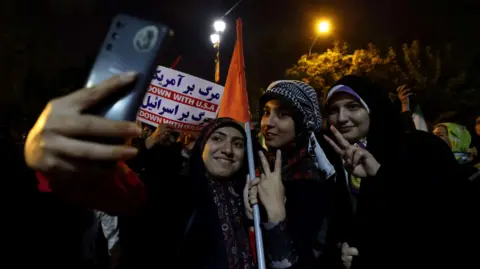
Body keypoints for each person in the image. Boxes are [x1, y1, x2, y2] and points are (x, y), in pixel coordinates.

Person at [24, 73, 255, 268]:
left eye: (237, 144)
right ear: (200, 147)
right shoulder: (171, 192)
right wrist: (57, 160)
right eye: (217, 138)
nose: (227, 150)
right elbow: (123, 193)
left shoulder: (256, 197)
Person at [322, 75, 470, 269]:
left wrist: (379, 175)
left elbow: (444, 223)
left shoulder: (422, 148)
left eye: (353, 107)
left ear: (373, 108)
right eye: (333, 110)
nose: (341, 118)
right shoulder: (333, 161)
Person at [246, 80, 339, 269]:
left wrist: (276, 215)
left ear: (303, 122)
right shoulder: (258, 166)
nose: (268, 123)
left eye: (283, 114)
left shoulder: (314, 181)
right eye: (266, 112)